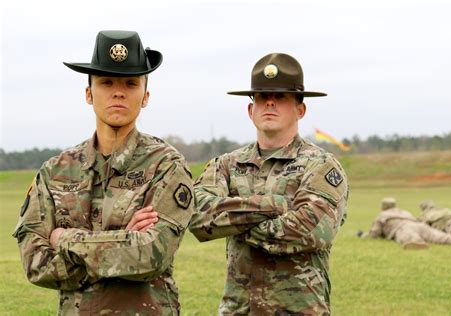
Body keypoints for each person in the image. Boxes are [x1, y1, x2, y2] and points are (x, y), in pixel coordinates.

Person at [12, 30, 194, 315]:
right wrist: (123, 242)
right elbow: (35, 264)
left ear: (145, 96)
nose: (118, 91)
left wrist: (64, 239)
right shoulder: (55, 171)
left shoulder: (166, 165)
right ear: (88, 93)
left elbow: (149, 255)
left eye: (130, 83)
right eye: (106, 82)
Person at [189, 53, 349, 314]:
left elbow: (310, 232)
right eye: (262, 97)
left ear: (301, 109)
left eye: (281, 96)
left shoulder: (321, 165)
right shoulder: (227, 165)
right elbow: (198, 218)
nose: (270, 103)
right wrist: (278, 205)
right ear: (251, 110)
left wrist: (232, 224)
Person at [358, 197, 451, 249]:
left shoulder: (382, 216)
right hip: (420, 225)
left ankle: (416, 242)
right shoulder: (404, 212)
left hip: (404, 228)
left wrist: (362, 235)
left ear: (383, 207)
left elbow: (374, 233)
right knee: (445, 238)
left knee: (412, 240)